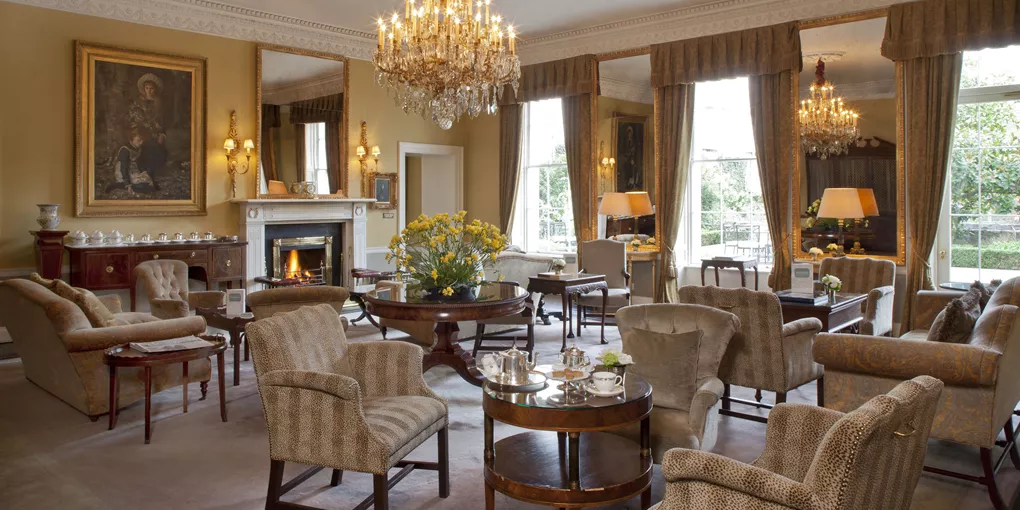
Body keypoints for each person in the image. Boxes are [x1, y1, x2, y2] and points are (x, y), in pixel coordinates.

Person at [129, 73, 167, 190]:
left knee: (158, 149)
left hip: (155, 133)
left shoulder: (158, 102)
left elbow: (162, 120)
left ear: (155, 89)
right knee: (148, 147)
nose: (149, 91)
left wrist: (162, 134)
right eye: (147, 88)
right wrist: (139, 131)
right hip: (141, 131)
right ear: (143, 89)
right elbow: (134, 118)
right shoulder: (138, 103)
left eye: (151, 89)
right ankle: (148, 178)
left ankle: (150, 177)